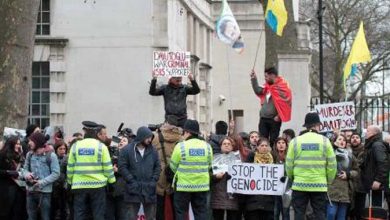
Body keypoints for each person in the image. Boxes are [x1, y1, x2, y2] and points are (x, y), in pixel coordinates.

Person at [286, 112, 337, 219]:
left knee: (299, 214)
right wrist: (328, 180)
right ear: (318, 125)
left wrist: (293, 178)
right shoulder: (325, 141)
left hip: (299, 185)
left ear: (306, 125)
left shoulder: (295, 141)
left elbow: (289, 164)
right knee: (319, 214)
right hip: (319, 185)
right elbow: (332, 164)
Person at [67, 121, 116, 220]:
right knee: (98, 215)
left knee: (79, 215)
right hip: (98, 186)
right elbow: (107, 168)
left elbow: (70, 167)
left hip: (79, 186)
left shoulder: (75, 146)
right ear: (96, 133)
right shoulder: (101, 147)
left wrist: (69, 182)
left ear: (84, 131)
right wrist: (112, 182)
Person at [169, 119, 213, 219]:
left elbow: (173, 166)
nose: (182, 134)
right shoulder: (207, 146)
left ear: (187, 132)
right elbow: (209, 165)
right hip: (201, 186)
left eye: (183, 132)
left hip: (183, 187)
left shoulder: (181, 146)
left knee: (181, 213)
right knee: (201, 213)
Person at [118, 126, 161, 220]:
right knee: (130, 217)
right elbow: (122, 167)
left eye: (151, 138)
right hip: (132, 190)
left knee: (151, 217)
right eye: (148, 137)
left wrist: (153, 181)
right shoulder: (127, 150)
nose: (150, 140)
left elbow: (158, 167)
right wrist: (131, 181)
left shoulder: (153, 151)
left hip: (149, 190)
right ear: (141, 136)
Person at [250, 67, 292, 147]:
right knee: (262, 140)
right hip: (263, 118)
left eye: (266, 76)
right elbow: (258, 90)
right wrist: (254, 79)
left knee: (273, 141)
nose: (265, 79)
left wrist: (279, 116)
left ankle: (272, 157)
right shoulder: (267, 86)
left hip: (274, 120)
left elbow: (286, 103)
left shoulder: (283, 86)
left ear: (272, 75)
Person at [23, 132, 60, 220]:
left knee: (45, 217)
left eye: (31, 141)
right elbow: (24, 169)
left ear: (37, 142)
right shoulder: (29, 154)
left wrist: (41, 182)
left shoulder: (51, 155)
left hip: (45, 193)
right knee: (31, 217)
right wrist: (27, 175)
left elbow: (56, 173)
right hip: (30, 191)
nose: (29, 143)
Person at [151, 122, 182, 220]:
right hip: (175, 176)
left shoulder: (156, 138)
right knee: (176, 208)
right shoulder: (181, 139)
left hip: (159, 175)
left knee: (159, 207)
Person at [327, 134, 358, 220]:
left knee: (341, 217)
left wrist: (348, 174)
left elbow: (357, 171)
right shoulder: (330, 153)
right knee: (331, 214)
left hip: (345, 191)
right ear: (335, 141)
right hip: (331, 189)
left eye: (344, 140)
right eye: (339, 139)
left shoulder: (350, 155)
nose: (342, 141)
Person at [211, 137, 240, 220]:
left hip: (232, 195)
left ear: (232, 146)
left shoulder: (238, 159)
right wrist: (215, 176)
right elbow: (209, 175)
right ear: (220, 146)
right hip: (218, 195)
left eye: (229, 144)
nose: (226, 145)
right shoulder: (214, 158)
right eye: (224, 144)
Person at [245, 138, 274, 220]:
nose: (264, 147)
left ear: (269, 147)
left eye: (266, 145)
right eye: (262, 145)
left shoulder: (273, 158)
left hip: (269, 200)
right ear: (257, 147)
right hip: (253, 199)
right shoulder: (251, 157)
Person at [360, 125, 389, 206]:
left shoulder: (377, 145)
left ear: (374, 133)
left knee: (376, 211)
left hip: (377, 185)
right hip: (373, 185)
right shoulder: (372, 144)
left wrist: (378, 180)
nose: (366, 133)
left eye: (368, 131)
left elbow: (383, 163)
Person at [0, 136, 26, 220]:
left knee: (18, 211)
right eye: (17, 144)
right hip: (6, 188)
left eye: (19, 144)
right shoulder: (2, 155)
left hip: (19, 188)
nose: (19, 146)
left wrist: (21, 155)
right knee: (7, 212)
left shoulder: (20, 156)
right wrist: (10, 172)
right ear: (11, 144)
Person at [105, 136, 129, 220]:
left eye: (124, 140)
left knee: (122, 216)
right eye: (119, 140)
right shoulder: (108, 153)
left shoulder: (131, 155)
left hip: (123, 191)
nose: (121, 142)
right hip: (109, 190)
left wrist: (118, 170)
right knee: (109, 216)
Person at [348, 132, 366, 220]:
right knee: (349, 211)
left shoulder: (365, 151)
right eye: (353, 137)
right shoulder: (345, 150)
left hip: (361, 185)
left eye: (357, 137)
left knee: (359, 211)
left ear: (360, 140)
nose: (355, 139)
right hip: (349, 185)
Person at [272, 137, 290, 220]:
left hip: (286, 188)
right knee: (275, 211)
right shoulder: (272, 156)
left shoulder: (290, 157)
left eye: (283, 143)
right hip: (275, 188)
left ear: (286, 145)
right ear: (276, 145)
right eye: (279, 143)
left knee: (285, 211)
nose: (281, 145)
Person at [51, 140, 69, 220]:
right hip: (54, 188)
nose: (62, 151)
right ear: (56, 150)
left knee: (65, 209)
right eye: (60, 149)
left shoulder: (67, 159)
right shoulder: (52, 159)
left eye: (64, 149)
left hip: (64, 188)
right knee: (55, 210)